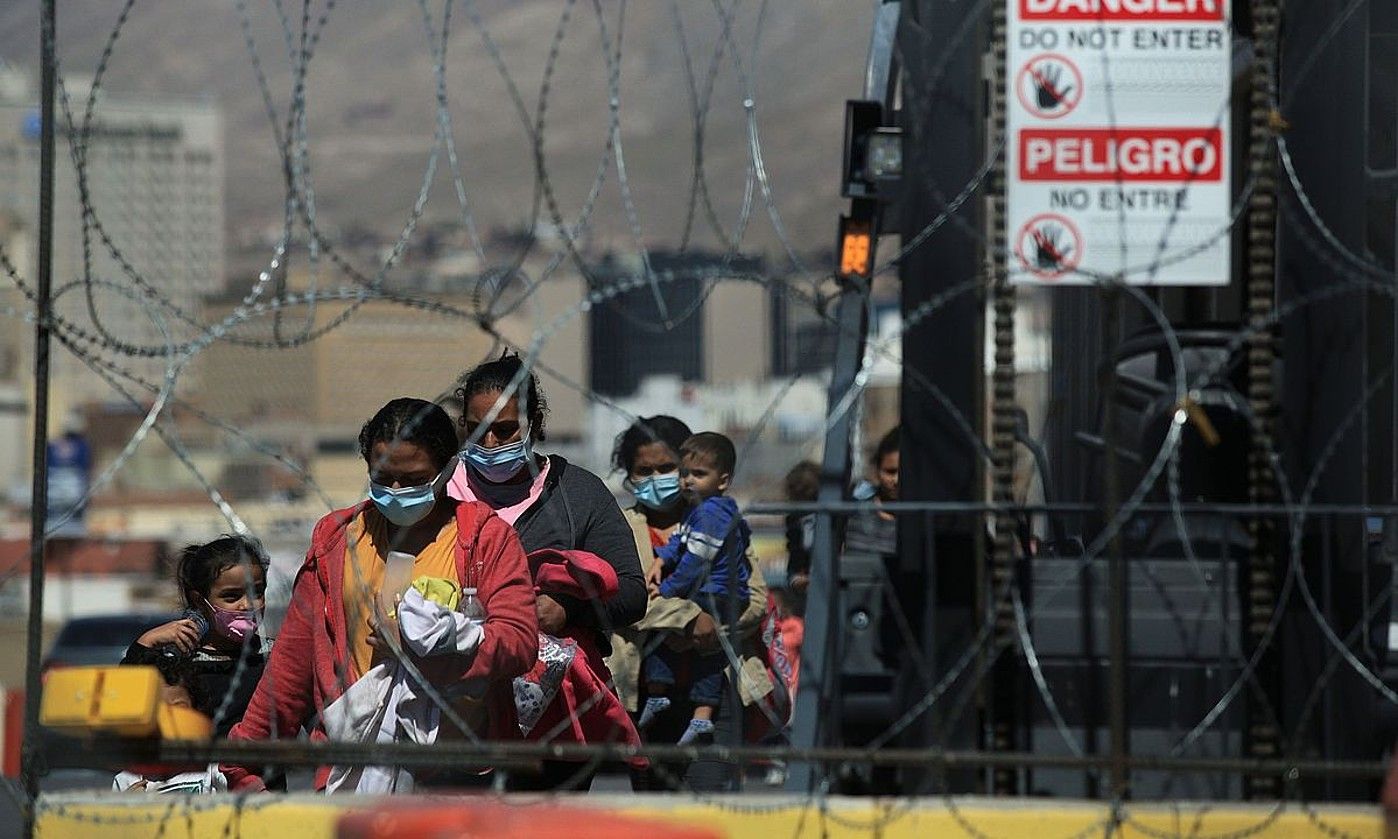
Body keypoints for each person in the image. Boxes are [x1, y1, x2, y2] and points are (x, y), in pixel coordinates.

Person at [225, 398, 538, 792]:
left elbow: (518, 641)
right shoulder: (339, 541)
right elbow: (294, 659)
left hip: (456, 774)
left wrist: (430, 649)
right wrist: (246, 758)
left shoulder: (484, 541)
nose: (395, 490)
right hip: (351, 769)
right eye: (383, 477)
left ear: (446, 471)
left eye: (412, 480)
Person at [450, 353, 646, 789]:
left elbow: (632, 592)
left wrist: (569, 611)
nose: (492, 444)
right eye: (479, 431)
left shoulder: (576, 494)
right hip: (457, 710)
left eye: (506, 430)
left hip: (554, 719)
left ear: (533, 423)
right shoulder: (444, 493)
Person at [606, 415, 778, 792]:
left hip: (718, 695)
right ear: (630, 475)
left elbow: (755, 599)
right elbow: (625, 599)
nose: (659, 478)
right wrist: (686, 620)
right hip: (644, 695)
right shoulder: (617, 527)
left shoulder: (718, 517)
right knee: (656, 816)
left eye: (668, 468)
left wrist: (710, 627)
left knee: (710, 804)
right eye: (644, 470)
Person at [642, 432, 751, 746]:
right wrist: (662, 560)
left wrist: (668, 590)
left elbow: (695, 562)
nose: (688, 481)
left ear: (723, 480)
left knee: (695, 644)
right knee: (699, 647)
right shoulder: (698, 508)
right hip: (714, 590)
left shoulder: (713, 512)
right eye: (685, 474)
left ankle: (671, 696)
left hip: (718, 591)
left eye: (699, 474)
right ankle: (693, 710)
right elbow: (680, 541)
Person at [121, 534, 269, 738]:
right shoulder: (180, 659)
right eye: (231, 597)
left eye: (257, 593)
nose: (247, 605)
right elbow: (126, 698)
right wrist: (147, 642)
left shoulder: (273, 656)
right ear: (200, 600)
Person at [112, 658, 228, 794]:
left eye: (179, 710)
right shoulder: (126, 779)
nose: (170, 720)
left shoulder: (213, 770)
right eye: (159, 712)